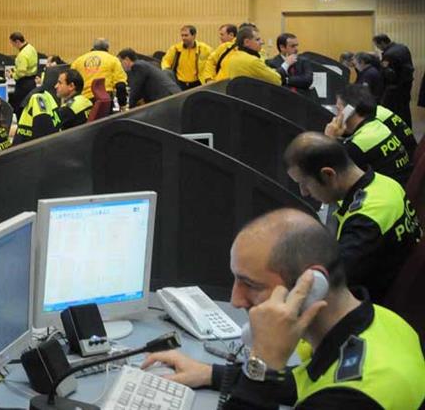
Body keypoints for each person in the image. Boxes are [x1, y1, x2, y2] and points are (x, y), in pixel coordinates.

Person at [140, 208, 425, 409]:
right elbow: (303, 382)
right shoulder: (383, 322)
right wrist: (211, 373)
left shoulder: (351, 398)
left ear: (310, 285)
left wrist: (264, 359)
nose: (236, 300)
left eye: (249, 284)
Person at [283, 132, 420, 304]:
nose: (304, 193)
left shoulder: (366, 222)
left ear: (328, 175)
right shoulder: (385, 183)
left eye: (304, 183)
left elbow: (328, 286)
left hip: (378, 304)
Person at [324, 85, 412, 185]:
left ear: (349, 111)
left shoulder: (359, 144)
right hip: (400, 183)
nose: (336, 114)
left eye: (338, 109)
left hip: (384, 190)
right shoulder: (377, 125)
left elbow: (331, 172)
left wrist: (328, 139)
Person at [69, 39, 127, 109]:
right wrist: (122, 105)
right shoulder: (113, 60)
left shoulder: (78, 61)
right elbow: (120, 85)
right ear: (107, 48)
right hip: (104, 101)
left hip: (82, 101)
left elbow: (70, 82)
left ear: (93, 47)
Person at [373, 34, 414, 127]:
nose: (378, 48)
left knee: (394, 112)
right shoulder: (403, 47)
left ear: (382, 43)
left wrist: (380, 64)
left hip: (395, 89)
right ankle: (407, 129)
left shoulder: (388, 54)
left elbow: (389, 75)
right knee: (405, 111)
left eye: (377, 45)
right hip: (406, 85)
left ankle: (398, 131)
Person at [161, 25, 213, 90]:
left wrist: (209, 78)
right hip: (180, 83)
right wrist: (167, 72)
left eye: (186, 35)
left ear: (194, 36)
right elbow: (166, 60)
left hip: (198, 83)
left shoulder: (205, 49)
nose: (183, 38)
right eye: (182, 35)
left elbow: (212, 63)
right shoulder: (176, 49)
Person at [7, 31, 38, 115]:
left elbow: (21, 73)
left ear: (17, 41)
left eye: (13, 43)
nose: (13, 46)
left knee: (20, 108)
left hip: (23, 85)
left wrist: (11, 75)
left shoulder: (22, 55)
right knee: (29, 107)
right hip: (32, 83)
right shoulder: (31, 48)